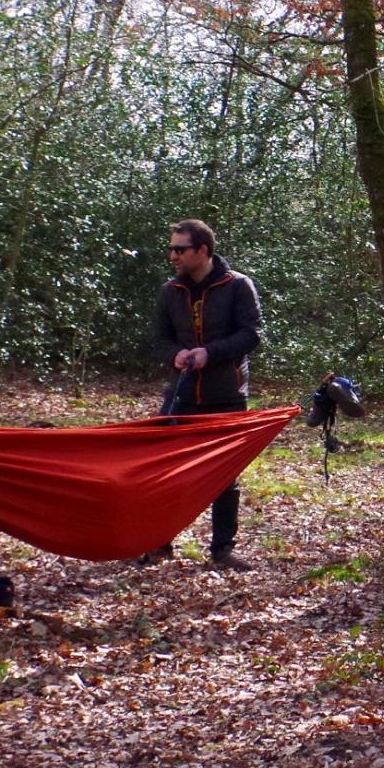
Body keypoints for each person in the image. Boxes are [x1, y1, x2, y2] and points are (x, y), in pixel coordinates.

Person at [145, 218, 263, 570]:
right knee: (165, 471)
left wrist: (210, 353)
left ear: (202, 251)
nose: (172, 256)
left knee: (225, 476)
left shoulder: (239, 285)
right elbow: (160, 338)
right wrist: (174, 355)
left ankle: (222, 551)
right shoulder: (170, 290)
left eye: (179, 249)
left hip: (226, 394)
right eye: (171, 249)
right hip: (181, 395)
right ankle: (159, 544)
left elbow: (251, 335)